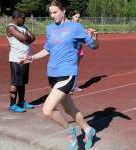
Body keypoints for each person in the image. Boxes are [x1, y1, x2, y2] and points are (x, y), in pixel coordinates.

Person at [20, 0, 99, 149]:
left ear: (63, 11)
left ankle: (71, 131)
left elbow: (94, 46)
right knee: (70, 109)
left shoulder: (75, 27)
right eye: (50, 13)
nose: (52, 15)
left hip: (68, 73)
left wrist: (94, 39)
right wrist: (32, 58)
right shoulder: (50, 28)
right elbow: (47, 49)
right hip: (52, 74)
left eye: (55, 12)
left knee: (47, 110)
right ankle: (89, 130)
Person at [6, 10, 35, 112]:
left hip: (25, 59)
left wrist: (26, 38)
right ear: (17, 17)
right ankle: (12, 105)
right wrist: (26, 38)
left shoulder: (22, 27)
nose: (25, 20)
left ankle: (21, 102)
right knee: (15, 82)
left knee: (22, 82)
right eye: (23, 18)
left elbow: (33, 38)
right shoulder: (11, 27)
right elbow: (24, 38)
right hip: (16, 59)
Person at [71, 10, 83, 92]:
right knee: (69, 68)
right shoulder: (68, 25)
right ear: (72, 16)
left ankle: (74, 86)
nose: (78, 18)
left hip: (78, 49)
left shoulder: (79, 25)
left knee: (75, 68)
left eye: (79, 17)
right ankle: (68, 88)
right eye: (76, 16)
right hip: (70, 50)